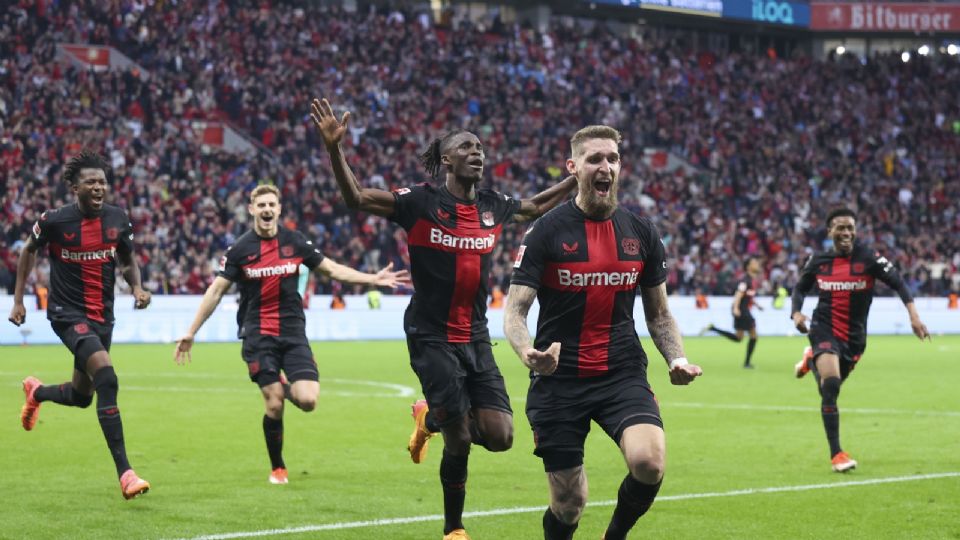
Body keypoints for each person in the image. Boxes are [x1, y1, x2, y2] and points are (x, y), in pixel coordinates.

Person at [311, 97, 577, 540]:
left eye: (481, 148)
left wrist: (576, 177)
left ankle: (427, 418)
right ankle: (454, 528)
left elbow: (534, 206)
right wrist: (335, 149)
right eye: (468, 147)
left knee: (500, 436)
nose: (478, 152)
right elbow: (355, 198)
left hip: (474, 335)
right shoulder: (419, 202)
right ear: (447, 160)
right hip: (430, 334)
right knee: (460, 438)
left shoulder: (494, 205)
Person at [503, 125, 703, 540]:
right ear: (574, 168)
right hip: (559, 379)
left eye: (612, 158)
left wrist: (677, 358)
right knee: (569, 504)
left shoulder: (642, 232)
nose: (605, 166)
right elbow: (515, 311)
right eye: (595, 158)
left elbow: (660, 315)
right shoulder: (545, 231)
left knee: (650, 464)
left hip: (621, 372)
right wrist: (527, 352)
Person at [173, 184, 409, 484]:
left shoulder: (295, 242)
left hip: (293, 333)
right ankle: (278, 467)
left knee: (308, 401)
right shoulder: (240, 250)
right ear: (251, 209)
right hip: (258, 334)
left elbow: (332, 270)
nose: (267, 210)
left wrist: (372, 278)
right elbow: (216, 290)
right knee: (273, 403)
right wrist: (191, 331)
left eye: (272, 204)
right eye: (261, 206)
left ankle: (281, 385)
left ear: (279, 209)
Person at [7, 151, 153, 499]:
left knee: (82, 396)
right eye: (91, 181)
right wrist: (17, 299)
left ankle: (37, 392)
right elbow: (28, 250)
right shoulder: (55, 221)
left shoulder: (118, 218)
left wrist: (136, 286)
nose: (98, 187)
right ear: (75, 187)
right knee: (107, 376)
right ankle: (126, 474)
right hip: (66, 313)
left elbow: (127, 257)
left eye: (102, 181)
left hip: (103, 316)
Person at [791, 207, 930, 472]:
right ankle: (837, 454)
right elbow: (800, 288)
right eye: (840, 227)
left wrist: (914, 317)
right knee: (830, 386)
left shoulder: (869, 258)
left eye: (849, 227)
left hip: (854, 337)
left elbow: (899, 283)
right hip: (823, 327)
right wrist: (796, 313)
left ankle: (811, 360)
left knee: (827, 388)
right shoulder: (818, 260)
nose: (845, 232)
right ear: (830, 231)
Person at [701, 257, 764, 368]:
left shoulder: (751, 280)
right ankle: (747, 363)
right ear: (748, 266)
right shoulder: (745, 280)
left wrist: (756, 305)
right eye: (754, 263)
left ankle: (713, 328)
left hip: (743, 309)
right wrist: (736, 308)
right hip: (741, 310)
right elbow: (739, 294)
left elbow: (747, 296)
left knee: (739, 338)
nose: (757, 264)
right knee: (753, 335)